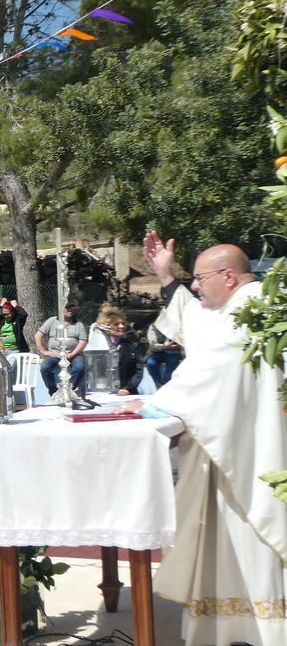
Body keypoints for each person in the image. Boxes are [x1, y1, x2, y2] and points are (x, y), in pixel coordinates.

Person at [116, 232, 287, 646]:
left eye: (199, 278)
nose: (194, 286)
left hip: (250, 451)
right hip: (237, 442)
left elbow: (215, 365)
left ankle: (260, 627)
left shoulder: (255, 307)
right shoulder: (245, 305)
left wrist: (160, 403)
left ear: (228, 276)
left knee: (246, 534)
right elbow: (203, 326)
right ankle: (230, 623)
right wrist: (166, 276)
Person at [35, 304, 89, 396]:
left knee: (79, 368)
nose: (70, 309)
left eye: (71, 307)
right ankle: (54, 392)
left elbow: (83, 341)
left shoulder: (78, 324)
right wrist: (44, 351)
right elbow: (38, 336)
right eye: (67, 307)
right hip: (55, 354)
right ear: (61, 308)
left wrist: (72, 354)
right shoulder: (52, 321)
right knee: (44, 368)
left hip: (73, 354)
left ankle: (68, 391)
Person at [92, 307, 144, 395]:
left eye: (123, 323)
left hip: (128, 393)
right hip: (104, 393)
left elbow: (138, 370)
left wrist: (128, 388)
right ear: (107, 327)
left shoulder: (132, 345)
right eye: (116, 324)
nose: (122, 326)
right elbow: (98, 372)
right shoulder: (99, 347)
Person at [145, 323, 182, 388]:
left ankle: (167, 383)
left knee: (173, 360)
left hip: (173, 352)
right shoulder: (153, 327)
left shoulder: (176, 325)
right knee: (150, 363)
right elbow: (153, 345)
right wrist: (165, 346)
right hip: (158, 352)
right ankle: (159, 386)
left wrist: (178, 345)